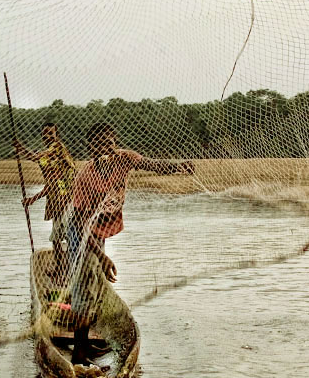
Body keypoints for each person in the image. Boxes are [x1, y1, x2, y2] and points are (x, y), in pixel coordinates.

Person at [66, 121, 193, 363]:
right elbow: (81, 225)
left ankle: (84, 344)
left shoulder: (124, 159)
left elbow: (152, 165)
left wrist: (179, 167)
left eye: (110, 143)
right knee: (84, 285)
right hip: (80, 233)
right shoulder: (85, 177)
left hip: (98, 230)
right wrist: (102, 257)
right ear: (91, 149)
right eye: (100, 144)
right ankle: (79, 353)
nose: (107, 148)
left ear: (116, 145)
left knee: (93, 282)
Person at [13, 123, 75, 264]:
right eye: (44, 134)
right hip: (57, 201)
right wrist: (33, 199)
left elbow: (37, 157)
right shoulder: (49, 161)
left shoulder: (58, 148)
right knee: (57, 238)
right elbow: (52, 184)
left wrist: (21, 149)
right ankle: (61, 267)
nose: (47, 137)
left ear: (56, 135)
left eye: (50, 133)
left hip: (68, 200)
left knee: (66, 236)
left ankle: (68, 267)